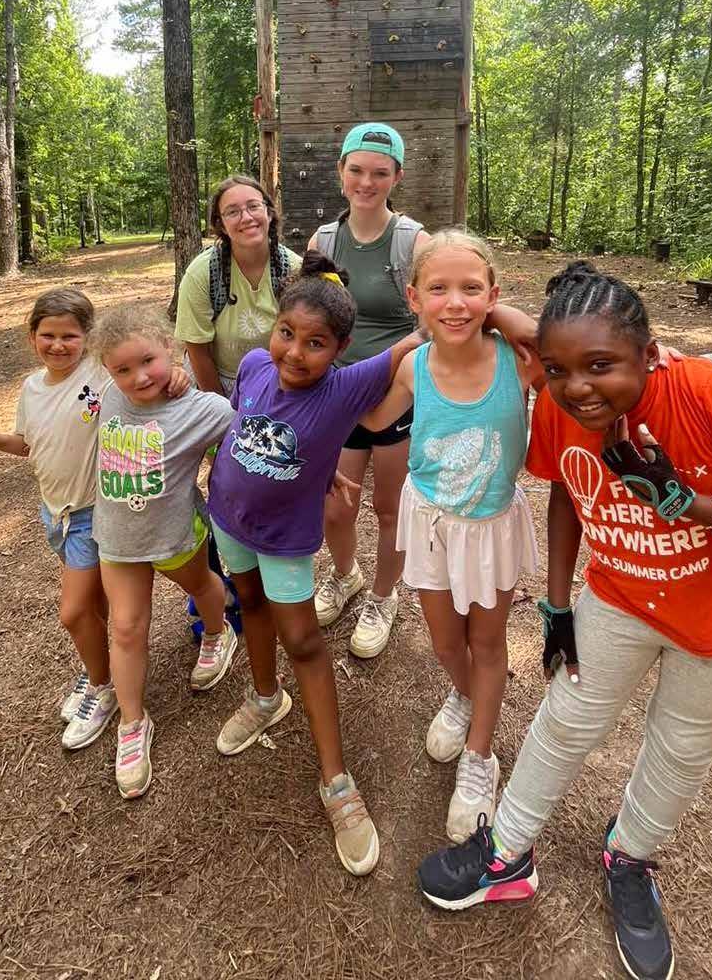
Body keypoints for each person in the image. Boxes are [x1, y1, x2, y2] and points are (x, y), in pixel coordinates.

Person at [417, 262, 712, 980]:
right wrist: (557, 604)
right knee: (565, 720)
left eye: (600, 366)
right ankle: (505, 853)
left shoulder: (710, 394)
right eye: (558, 369)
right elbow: (566, 494)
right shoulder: (560, 407)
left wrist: (693, 504)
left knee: (680, 748)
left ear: (649, 353)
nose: (578, 388)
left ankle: (629, 856)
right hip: (620, 598)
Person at [206, 252, 427, 876]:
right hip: (228, 517)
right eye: (287, 333)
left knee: (303, 640)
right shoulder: (255, 365)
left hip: (285, 539)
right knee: (249, 605)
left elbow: (420, 337)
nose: (295, 353)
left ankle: (336, 779)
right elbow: (250, 424)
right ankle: (264, 697)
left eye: (315, 343)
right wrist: (318, 465)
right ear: (273, 325)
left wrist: (477, 302)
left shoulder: (346, 386)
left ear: (340, 349)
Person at [359, 231, 541, 842]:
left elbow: (559, 346)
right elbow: (370, 417)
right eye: (438, 289)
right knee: (445, 644)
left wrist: (507, 318)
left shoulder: (518, 362)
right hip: (430, 523)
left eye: (471, 289)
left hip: (489, 529)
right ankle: (464, 696)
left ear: (493, 295)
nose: (455, 302)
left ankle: (480, 755)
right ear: (414, 298)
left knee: (487, 643)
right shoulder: (414, 367)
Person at [0, 289, 188, 752]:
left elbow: (142, 369)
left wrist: (176, 373)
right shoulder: (31, 389)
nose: (58, 345)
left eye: (70, 336)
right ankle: (101, 668)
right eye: (48, 335)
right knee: (93, 607)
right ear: (32, 337)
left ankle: (102, 687)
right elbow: (28, 444)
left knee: (74, 611)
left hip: (94, 514)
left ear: (89, 338)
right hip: (55, 514)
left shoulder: (99, 374)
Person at [90, 309, 237, 800]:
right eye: (123, 369)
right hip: (118, 540)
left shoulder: (204, 410)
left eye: (148, 361)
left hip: (175, 537)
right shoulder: (108, 396)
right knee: (126, 627)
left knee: (203, 587)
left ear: (169, 350)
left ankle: (217, 633)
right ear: (108, 371)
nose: (138, 377)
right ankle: (133, 723)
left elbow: (248, 444)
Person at [307, 122, 431, 658]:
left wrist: (391, 370)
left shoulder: (413, 242)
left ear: (397, 177)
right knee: (336, 504)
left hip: (395, 391)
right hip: (339, 392)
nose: (366, 182)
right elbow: (313, 318)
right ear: (341, 171)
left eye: (380, 172)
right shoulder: (323, 242)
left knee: (388, 507)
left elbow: (432, 323)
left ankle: (384, 595)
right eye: (356, 170)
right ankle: (345, 575)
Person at [175, 175, 302, 396]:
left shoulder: (294, 268)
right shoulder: (202, 274)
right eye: (233, 212)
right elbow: (197, 350)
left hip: (278, 380)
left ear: (269, 213)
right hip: (218, 379)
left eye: (254, 206)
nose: (246, 218)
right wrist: (222, 408)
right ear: (221, 225)